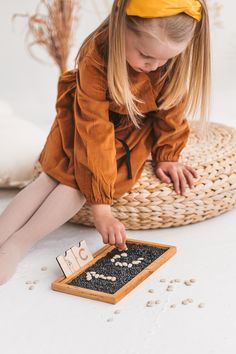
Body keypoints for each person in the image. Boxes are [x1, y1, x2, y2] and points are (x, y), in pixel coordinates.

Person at [0, 0, 211, 285]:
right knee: (51, 176)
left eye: (165, 60)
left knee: (74, 184)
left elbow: (171, 111)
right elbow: (94, 131)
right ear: (120, 27)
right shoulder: (97, 55)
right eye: (146, 56)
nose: (155, 66)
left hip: (131, 131)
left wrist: (167, 154)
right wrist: (102, 208)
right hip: (89, 120)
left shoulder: (169, 59)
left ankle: (18, 244)